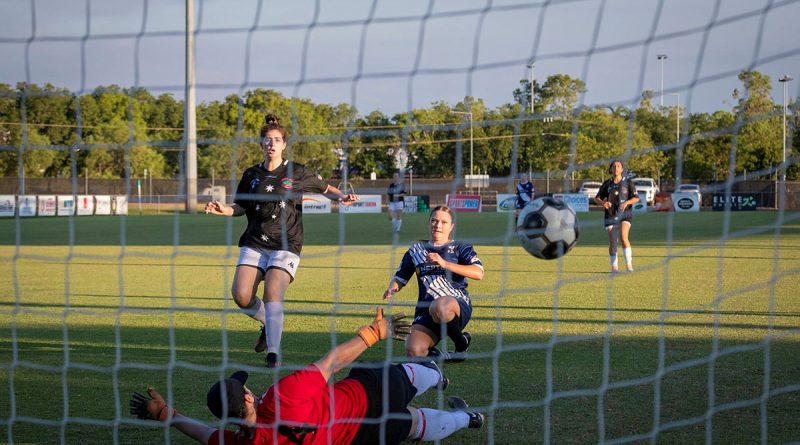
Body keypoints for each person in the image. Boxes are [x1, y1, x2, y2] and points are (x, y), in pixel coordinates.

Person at [129, 308, 485, 444]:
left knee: (414, 425)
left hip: (363, 435)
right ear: (248, 397)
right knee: (407, 374)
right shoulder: (283, 394)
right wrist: (374, 334)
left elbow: (205, 434)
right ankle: (436, 377)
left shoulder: (245, 443)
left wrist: (169, 416)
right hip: (366, 395)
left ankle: (469, 418)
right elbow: (331, 362)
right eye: (245, 387)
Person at [204, 114, 359, 368]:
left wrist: (342, 197)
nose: (272, 144)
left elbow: (324, 188)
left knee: (273, 291)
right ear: (261, 144)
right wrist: (224, 210)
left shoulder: (296, 171)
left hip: (287, 243)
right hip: (255, 241)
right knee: (241, 296)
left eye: (276, 140)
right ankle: (268, 323)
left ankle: (273, 353)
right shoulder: (251, 174)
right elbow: (240, 206)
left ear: (284, 144)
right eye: (267, 140)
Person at [383, 205, 484, 362]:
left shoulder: (460, 247)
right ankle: (441, 355)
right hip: (426, 309)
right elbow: (401, 276)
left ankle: (460, 345)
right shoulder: (416, 249)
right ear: (429, 222)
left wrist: (445, 264)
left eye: (444, 222)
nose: (438, 225)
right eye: (434, 220)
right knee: (413, 351)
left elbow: (478, 272)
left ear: (451, 227)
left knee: (440, 306)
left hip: (455, 305)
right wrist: (393, 287)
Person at [594, 160, 639, 273]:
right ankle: (614, 267)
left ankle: (629, 265)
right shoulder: (607, 184)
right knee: (613, 241)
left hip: (625, 215)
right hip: (610, 215)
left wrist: (626, 203)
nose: (616, 168)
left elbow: (636, 198)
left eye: (618, 166)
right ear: (611, 169)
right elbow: (596, 198)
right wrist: (603, 203)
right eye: (614, 166)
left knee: (624, 237)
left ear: (622, 169)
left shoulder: (628, 183)